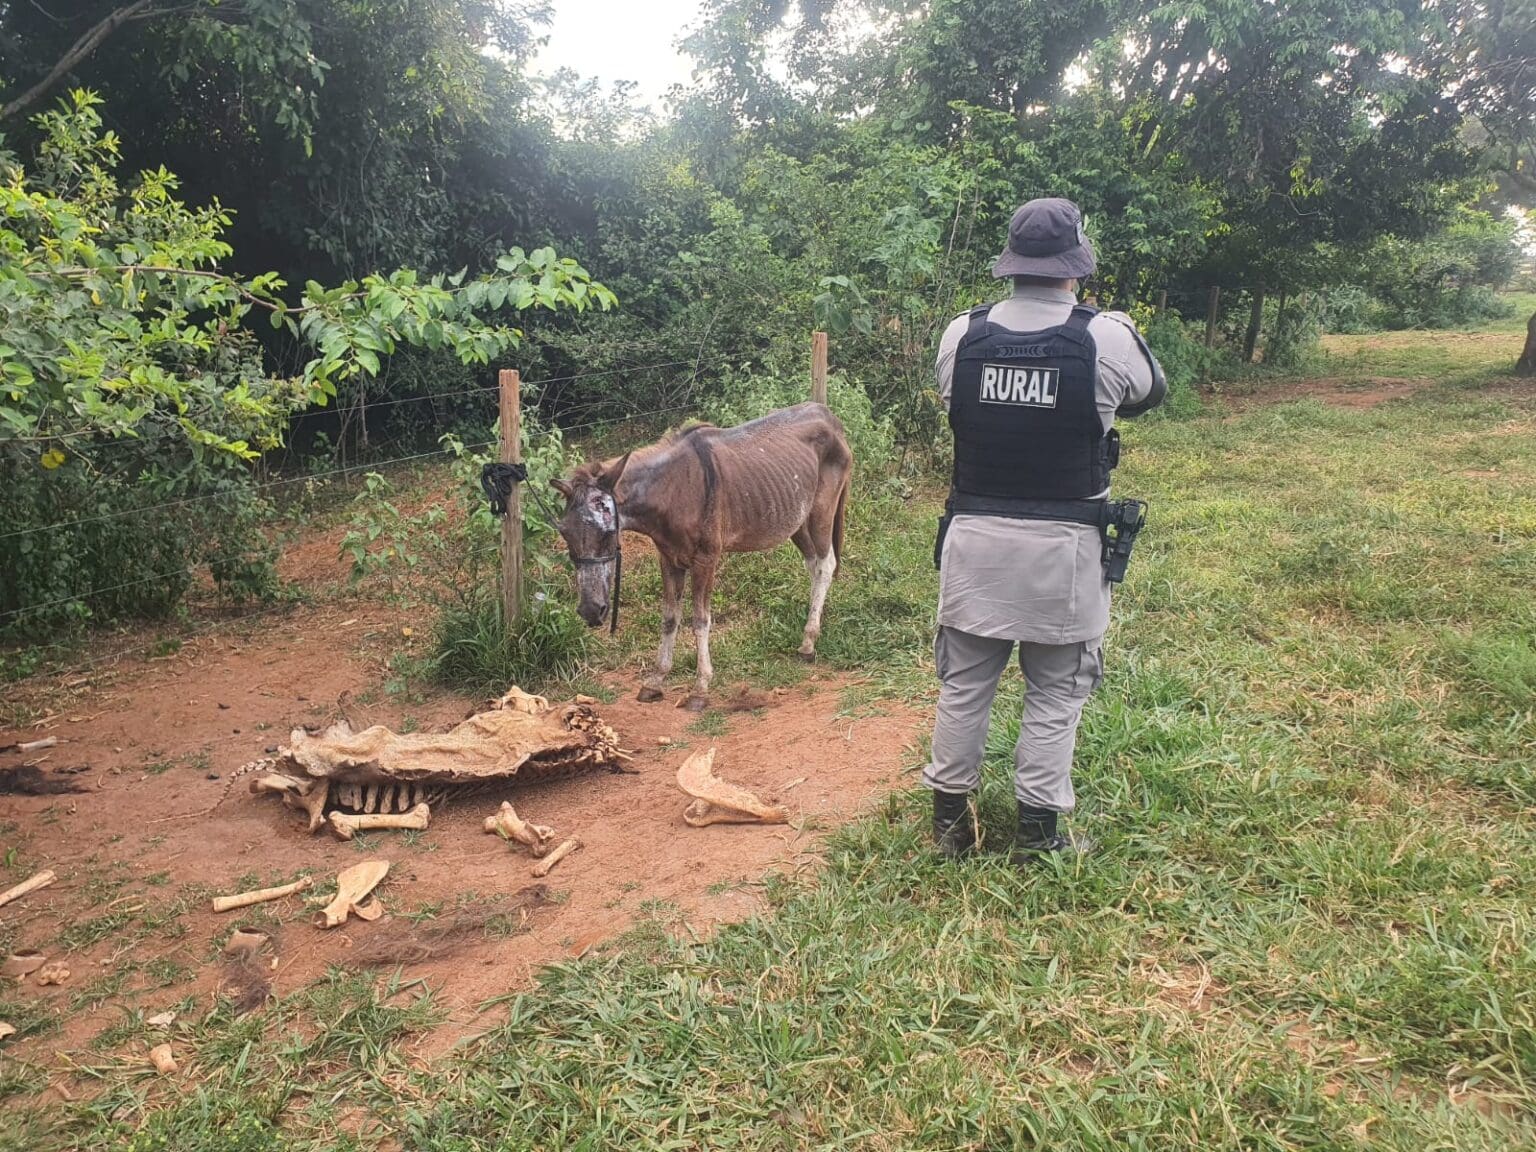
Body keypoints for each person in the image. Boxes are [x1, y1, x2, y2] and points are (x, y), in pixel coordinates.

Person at [926, 196, 1166, 864]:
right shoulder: (1105, 337)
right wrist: (1116, 326)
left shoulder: (960, 335)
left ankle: (950, 827)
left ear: (1012, 263)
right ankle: (1038, 835)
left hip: (973, 545)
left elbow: (960, 404)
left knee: (965, 685)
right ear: (1075, 263)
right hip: (1065, 549)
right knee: (1056, 691)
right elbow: (1150, 394)